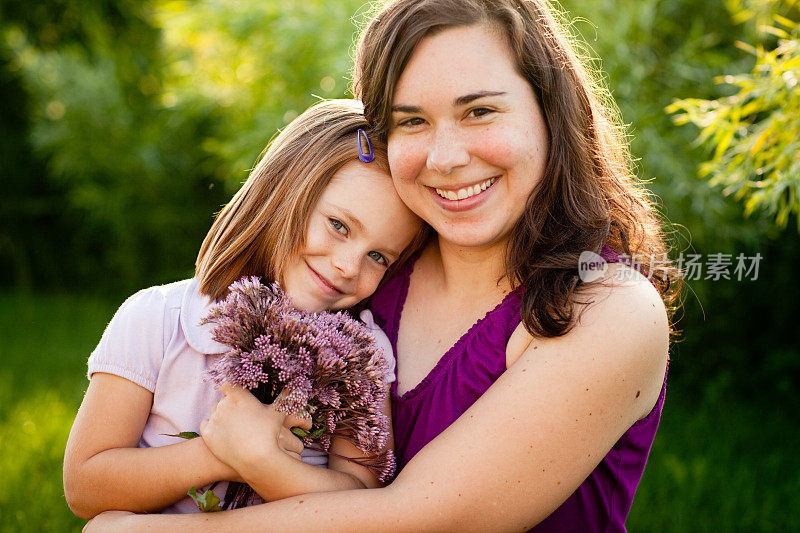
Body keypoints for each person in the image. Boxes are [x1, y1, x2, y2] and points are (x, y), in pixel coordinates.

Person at [85, 0, 680, 530]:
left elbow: (420, 518)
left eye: (479, 112)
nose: (446, 158)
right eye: (411, 121)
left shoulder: (607, 309)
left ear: (551, 112)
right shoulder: (367, 280)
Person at [63, 99, 425, 518]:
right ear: (284, 191)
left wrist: (264, 462)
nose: (348, 266)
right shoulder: (157, 319)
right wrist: (218, 454)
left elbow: (363, 500)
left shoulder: (361, 356)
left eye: (379, 257)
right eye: (338, 225)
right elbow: (85, 487)